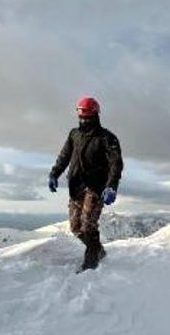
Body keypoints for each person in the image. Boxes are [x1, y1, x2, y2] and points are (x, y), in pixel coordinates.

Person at [49, 97, 123, 272]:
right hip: (76, 186)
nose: (84, 120)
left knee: (88, 224)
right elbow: (64, 156)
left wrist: (111, 185)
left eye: (88, 116)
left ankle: (90, 263)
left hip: (96, 187)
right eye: (81, 116)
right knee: (75, 228)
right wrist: (54, 173)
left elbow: (116, 163)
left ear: (96, 115)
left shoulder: (107, 138)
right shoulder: (74, 134)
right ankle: (97, 249)